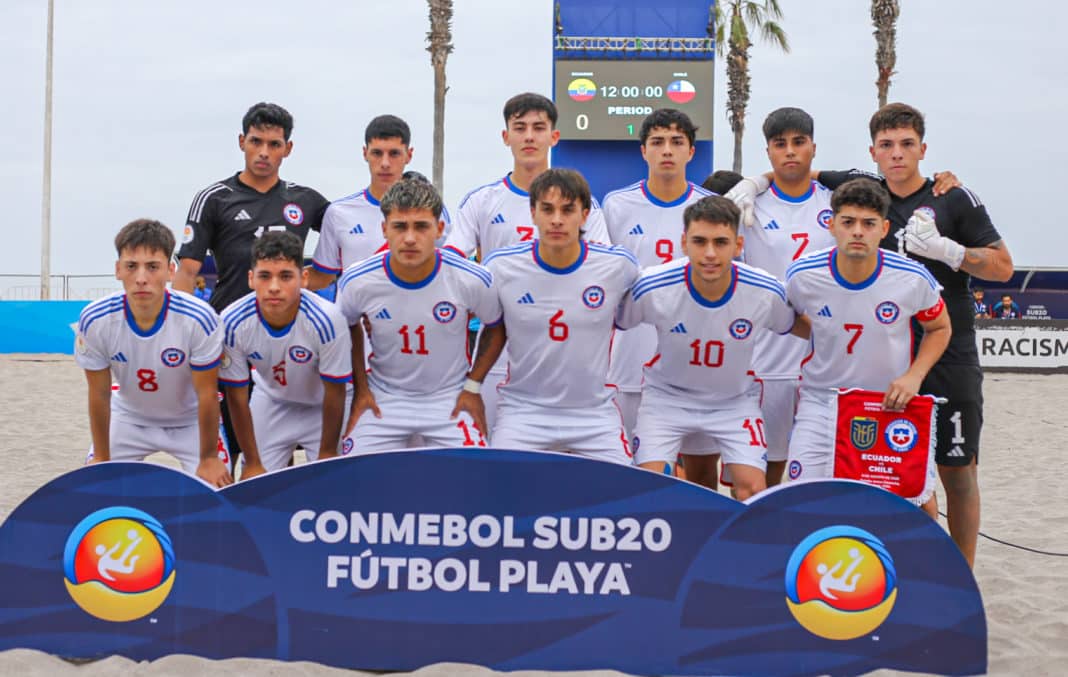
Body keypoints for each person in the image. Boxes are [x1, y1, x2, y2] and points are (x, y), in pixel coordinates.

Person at [173, 102, 330, 473]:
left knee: (280, 445)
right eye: (256, 141)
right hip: (230, 336)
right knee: (230, 444)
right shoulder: (214, 199)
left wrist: (315, 283)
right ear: (242, 142)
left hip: (288, 340)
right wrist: (181, 334)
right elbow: (186, 271)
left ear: (288, 148)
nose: (264, 152)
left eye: (274, 144)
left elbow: (347, 245)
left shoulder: (305, 200)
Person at [444, 92, 612, 432]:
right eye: (520, 128)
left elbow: (601, 267)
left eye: (539, 127)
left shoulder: (582, 203)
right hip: (498, 344)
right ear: (506, 137)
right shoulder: (482, 201)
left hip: (565, 344)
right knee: (496, 449)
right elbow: (452, 262)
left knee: (568, 454)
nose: (530, 136)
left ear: (554, 136)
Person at [617, 196, 804, 499]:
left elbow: (796, 324)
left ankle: (739, 545)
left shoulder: (765, 290)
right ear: (684, 242)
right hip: (667, 398)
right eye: (700, 241)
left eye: (721, 242)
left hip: (733, 400)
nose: (710, 253)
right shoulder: (653, 286)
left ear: (738, 245)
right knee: (651, 487)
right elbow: (614, 322)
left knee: (753, 489)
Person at [785, 180, 950, 514]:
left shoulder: (912, 277)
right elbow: (788, 318)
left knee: (922, 508)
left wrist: (914, 377)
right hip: (822, 400)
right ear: (831, 225)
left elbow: (940, 327)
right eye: (848, 222)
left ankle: (915, 568)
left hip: (887, 404)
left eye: (868, 223)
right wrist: (825, 328)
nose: (857, 231)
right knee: (799, 501)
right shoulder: (802, 275)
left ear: (884, 228)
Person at [482, 169, 638, 463]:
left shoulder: (618, 266)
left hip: (593, 413)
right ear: (532, 212)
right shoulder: (500, 267)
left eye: (568, 210)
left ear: (585, 215)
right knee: (501, 491)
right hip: (523, 411)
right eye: (547, 209)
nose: (556, 219)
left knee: (625, 495)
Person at [337, 179, 504, 452]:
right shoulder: (358, 280)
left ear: (439, 229)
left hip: (450, 397)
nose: (410, 238)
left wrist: (473, 386)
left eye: (421, 226)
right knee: (355, 475)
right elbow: (347, 326)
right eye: (400, 227)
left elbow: (496, 326)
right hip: (384, 398)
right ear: (384, 229)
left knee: (475, 475)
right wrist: (362, 388)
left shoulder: (471, 278)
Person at [601, 108, 716, 487]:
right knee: (628, 472)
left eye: (677, 142)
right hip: (630, 357)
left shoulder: (712, 208)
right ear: (643, 151)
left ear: (691, 152)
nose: (667, 150)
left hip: (694, 361)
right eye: (658, 142)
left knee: (701, 474)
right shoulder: (617, 205)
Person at [75, 219, 229, 486]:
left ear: (170, 270)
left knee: (217, 492)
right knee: (95, 490)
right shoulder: (95, 318)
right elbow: (98, 394)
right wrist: (101, 456)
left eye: (153, 267)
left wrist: (208, 458)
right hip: (129, 417)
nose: (142, 278)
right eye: (131, 266)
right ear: (117, 270)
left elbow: (207, 393)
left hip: (190, 421)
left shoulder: (199, 318)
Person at [740, 107, 837, 487]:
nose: (790, 152)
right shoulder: (749, 204)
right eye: (780, 144)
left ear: (813, 147)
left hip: (825, 363)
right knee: (761, 475)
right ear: (768, 152)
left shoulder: (836, 204)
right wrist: (753, 184)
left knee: (818, 477)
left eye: (799, 142)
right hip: (765, 361)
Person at [218, 232, 352, 476]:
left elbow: (336, 391)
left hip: (323, 406)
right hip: (272, 399)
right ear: (251, 279)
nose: (274, 287)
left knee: (333, 483)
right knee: (254, 487)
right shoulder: (232, 321)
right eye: (265, 276)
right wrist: (253, 461)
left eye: (286, 276)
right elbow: (236, 398)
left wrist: (328, 452)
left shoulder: (328, 319)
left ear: (304, 278)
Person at [307, 115, 450, 290]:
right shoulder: (338, 213)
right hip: (355, 315)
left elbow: (450, 271)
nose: (385, 163)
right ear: (365, 153)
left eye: (394, 153)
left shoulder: (432, 211)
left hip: (415, 314)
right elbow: (321, 277)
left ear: (409, 155)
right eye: (377, 153)